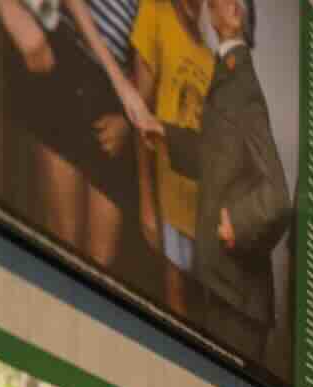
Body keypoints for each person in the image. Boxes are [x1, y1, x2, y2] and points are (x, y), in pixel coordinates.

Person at [156, 0, 292, 368]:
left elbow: (278, 197)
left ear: (232, 12)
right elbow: (215, 154)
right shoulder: (229, 75)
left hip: (237, 300)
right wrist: (163, 134)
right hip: (225, 290)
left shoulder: (242, 85)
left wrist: (238, 222)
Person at [0, 0, 158, 269]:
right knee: (64, 239)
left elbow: (149, 57)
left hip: (113, 104)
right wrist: (120, 83)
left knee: (101, 261)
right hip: (72, 63)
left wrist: (129, 120)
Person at [132, 0, 213, 319]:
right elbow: (140, 112)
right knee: (172, 309)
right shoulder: (155, 13)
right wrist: (147, 199)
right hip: (168, 204)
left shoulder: (209, 56)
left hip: (202, 213)